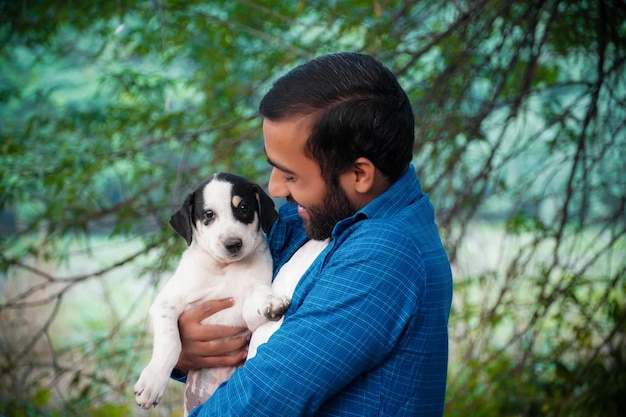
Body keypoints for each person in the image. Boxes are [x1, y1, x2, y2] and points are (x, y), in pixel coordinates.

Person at [175, 51, 453, 416]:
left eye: (290, 176)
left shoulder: (387, 254)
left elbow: (261, 401)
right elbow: (224, 296)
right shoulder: (311, 220)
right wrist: (184, 348)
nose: (274, 188)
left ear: (359, 175)